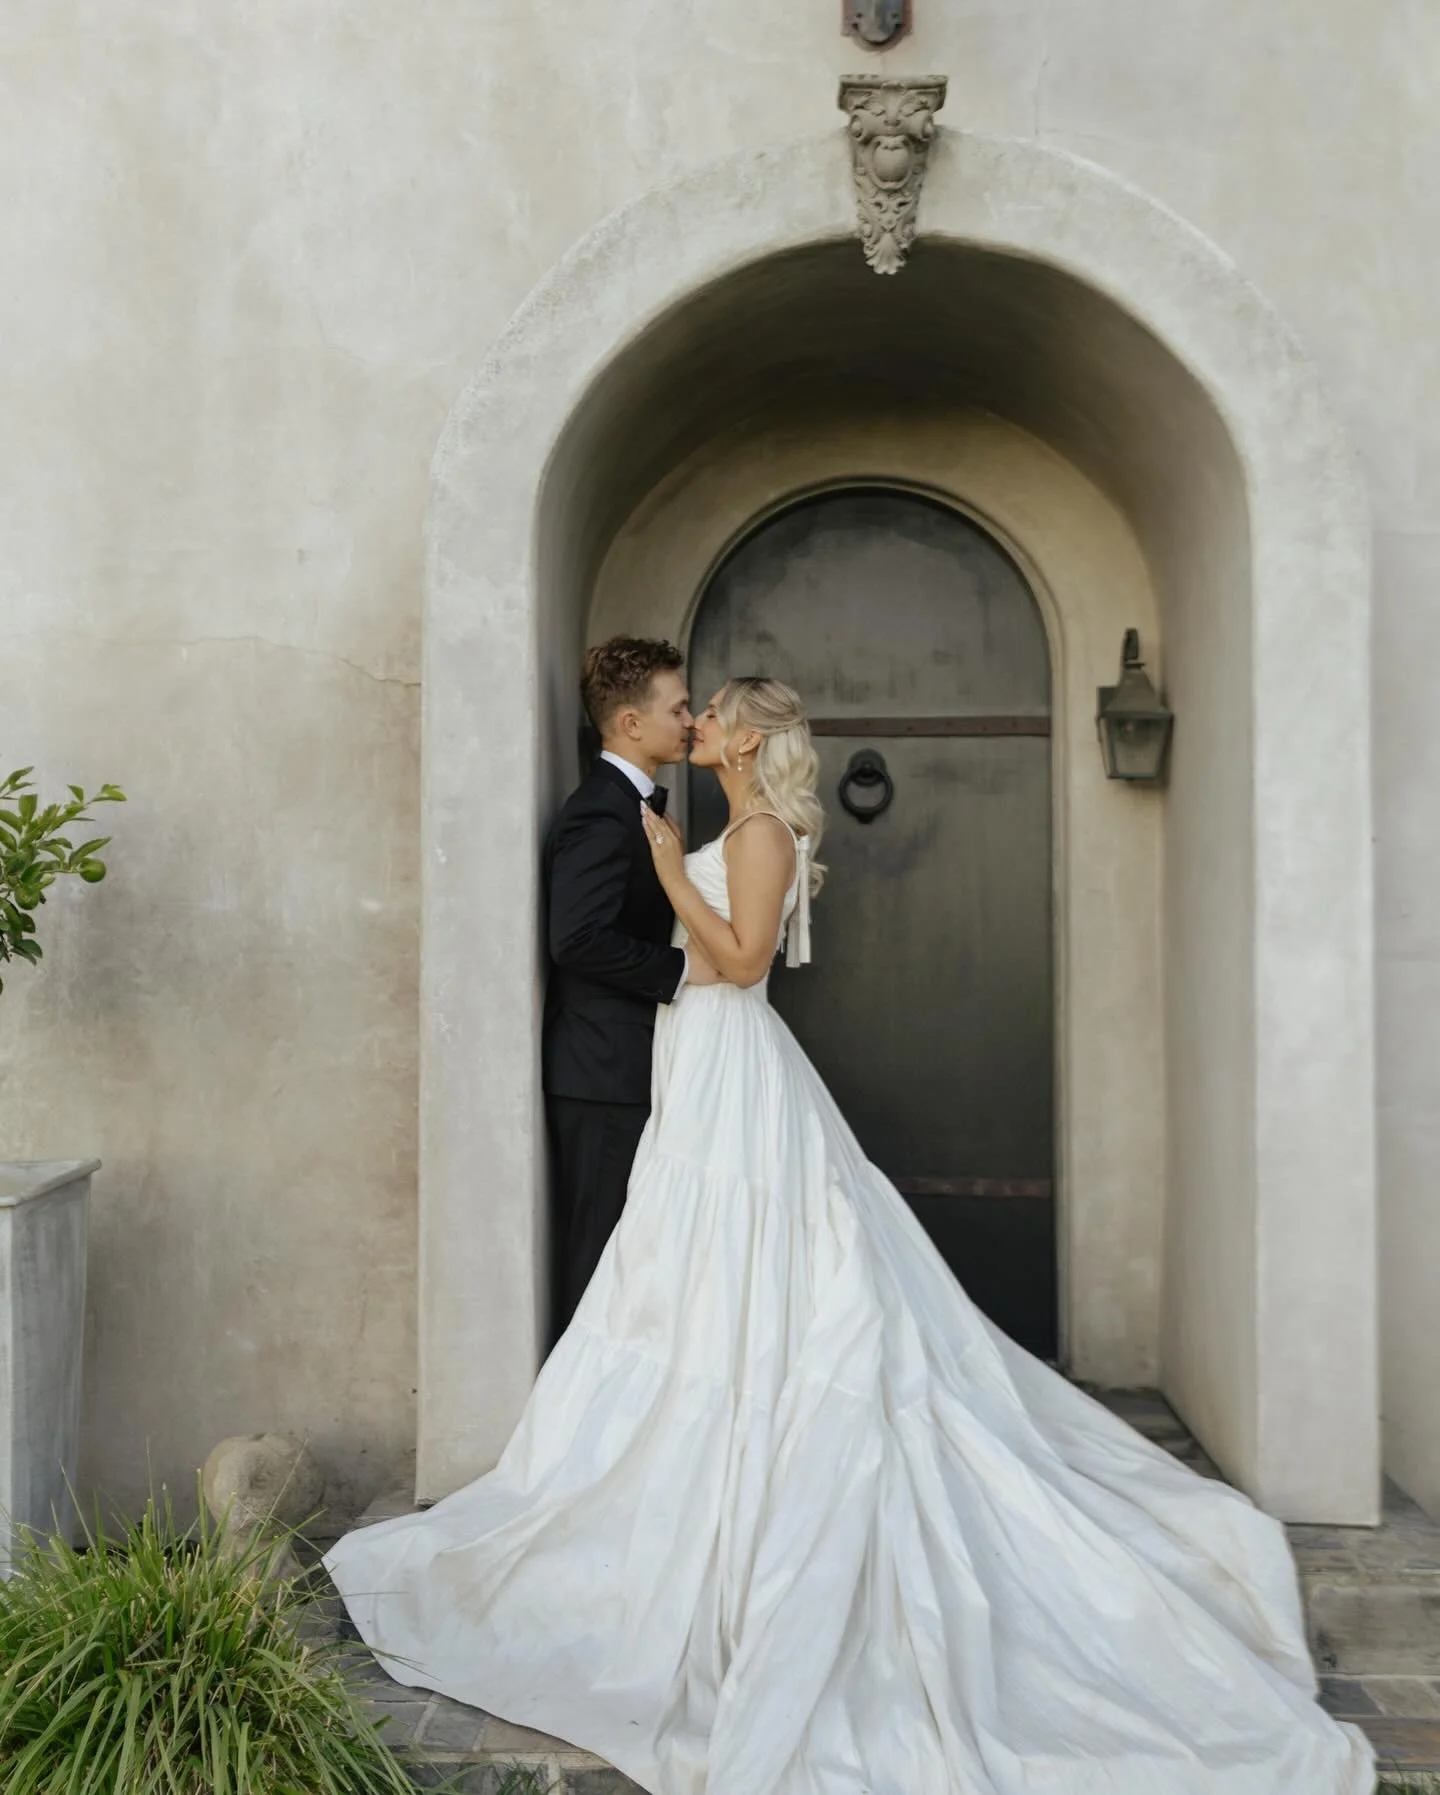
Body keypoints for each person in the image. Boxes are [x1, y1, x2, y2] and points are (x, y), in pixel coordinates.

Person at [325, 676, 1374, 1795]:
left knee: (767, 1269)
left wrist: (674, 876)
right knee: (679, 1273)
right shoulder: (738, 821)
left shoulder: (763, 829)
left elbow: (741, 963)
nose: (702, 722)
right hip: (701, 1067)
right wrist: (683, 874)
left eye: (718, 710)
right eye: (698, 706)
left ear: (754, 738)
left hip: (734, 1060)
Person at [541, 636, 709, 1340]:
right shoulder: (599, 812)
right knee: (599, 1254)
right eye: (678, 706)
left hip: (626, 1066)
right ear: (631, 723)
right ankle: (574, 1433)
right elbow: (575, 937)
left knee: (631, 1252)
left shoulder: (632, 806)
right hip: (602, 1071)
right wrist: (680, 973)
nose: (691, 719)